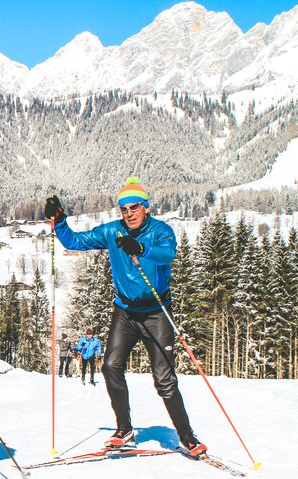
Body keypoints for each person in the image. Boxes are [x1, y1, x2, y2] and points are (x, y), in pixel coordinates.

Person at [44, 177, 208, 457]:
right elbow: (74, 241)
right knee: (110, 366)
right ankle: (125, 429)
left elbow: (167, 255)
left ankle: (187, 437)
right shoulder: (113, 232)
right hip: (126, 312)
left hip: (156, 313)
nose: (129, 213)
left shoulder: (160, 230)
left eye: (134, 207)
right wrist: (59, 220)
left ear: (145, 207)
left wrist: (142, 248)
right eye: (123, 209)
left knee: (164, 379)